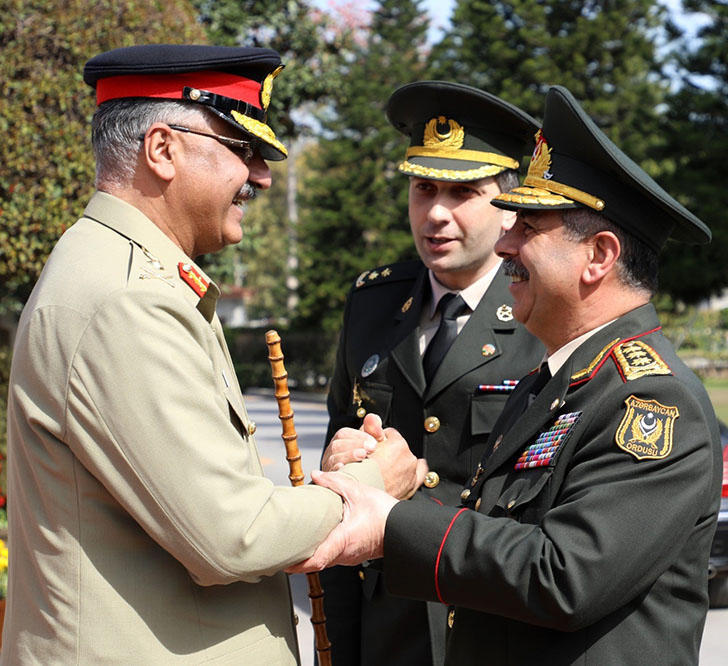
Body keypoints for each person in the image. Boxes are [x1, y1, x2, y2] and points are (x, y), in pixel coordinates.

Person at [2, 44, 424, 664]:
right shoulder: (128, 300)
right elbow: (235, 535)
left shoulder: (130, 275)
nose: (261, 176)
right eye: (242, 149)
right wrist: (369, 483)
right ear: (163, 150)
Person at [294, 85, 723, 664]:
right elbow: (501, 532)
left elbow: (564, 575)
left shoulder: (650, 401)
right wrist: (396, 483)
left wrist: (393, 523)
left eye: (528, 226)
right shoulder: (560, 381)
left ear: (598, 256)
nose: (505, 243)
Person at [320, 81, 544, 665]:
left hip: (494, 623)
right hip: (388, 622)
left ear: (510, 205)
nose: (437, 213)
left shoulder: (545, 313)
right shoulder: (373, 304)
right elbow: (336, 476)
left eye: (463, 191)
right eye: (423, 188)